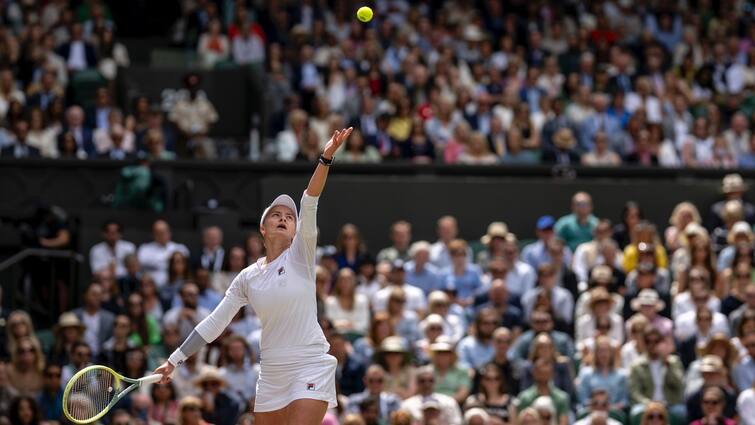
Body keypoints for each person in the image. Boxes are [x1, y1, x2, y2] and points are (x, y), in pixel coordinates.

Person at [155, 127, 354, 425]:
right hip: (272, 370)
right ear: (263, 229)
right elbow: (215, 322)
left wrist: (326, 157)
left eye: (289, 217)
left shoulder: (302, 254)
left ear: (297, 230)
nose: (284, 218)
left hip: (309, 363)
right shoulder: (247, 277)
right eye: (276, 214)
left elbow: (310, 199)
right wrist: (174, 360)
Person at [628, 327, 685, 420]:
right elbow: (635, 392)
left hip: (670, 404)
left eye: (656, 341)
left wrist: (666, 362)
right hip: (646, 405)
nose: (652, 345)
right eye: (648, 341)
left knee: (681, 411)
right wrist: (649, 404)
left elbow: (679, 384)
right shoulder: (637, 365)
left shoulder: (673, 362)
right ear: (644, 343)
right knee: (636, 412)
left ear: (662, 342)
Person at [137, 220, 190, 288]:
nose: (161, 235)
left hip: (175, 286)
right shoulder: (144, 248)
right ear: (153, 234)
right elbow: (141, 262)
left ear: (169, 232)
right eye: (158, 233)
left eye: (163, 232)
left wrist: (154, 261)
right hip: (152, 288)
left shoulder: (180, 248)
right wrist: (167, 260)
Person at [72, 282, 115, 358]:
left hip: (101, 358)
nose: (97, 297)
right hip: (78, 357)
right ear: (85, 295)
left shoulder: (110, 318)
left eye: (100, 294)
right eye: (94, 294)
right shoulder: (74, 315)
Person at [325, 268, 370, 336]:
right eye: (342, 280)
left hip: (357, 337)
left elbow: (364, 324)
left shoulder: (362, 300)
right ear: (338, 282)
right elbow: (330, 324)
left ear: (354, 282)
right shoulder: (330, 301)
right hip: (337, 338)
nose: (345, 283)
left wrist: (343, 325)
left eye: (349, 280)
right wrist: (349, 324)